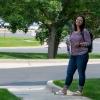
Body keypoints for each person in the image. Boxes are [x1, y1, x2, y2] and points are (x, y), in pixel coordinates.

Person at [56, 15, 91, 96]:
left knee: (81, 73)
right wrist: (68, 45)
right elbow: (70, 43)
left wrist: (80, 44)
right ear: (75, 21)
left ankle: (79, 91)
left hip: (82, 55)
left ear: (83, 22)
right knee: (69, 73)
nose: (78, 21)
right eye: (77, 19)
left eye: (80, 20)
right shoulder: (72, 31)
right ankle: (64, 90)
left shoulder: (84, 31)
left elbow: (89, 43)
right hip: (73, 55)